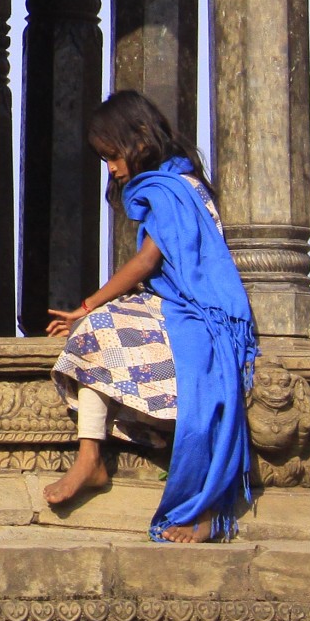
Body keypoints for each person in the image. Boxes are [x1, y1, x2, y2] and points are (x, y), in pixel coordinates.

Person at [44, 91, 257, 543]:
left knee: (99, 329)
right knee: (93, 335)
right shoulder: (177, 184)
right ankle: (90, 459)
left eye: (112, 157)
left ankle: (202, 507)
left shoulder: (171, 189)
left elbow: (146, 262)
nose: (113, 170)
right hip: (172, 304)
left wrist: (86, 305)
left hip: (198, 312)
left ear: (139, 138)